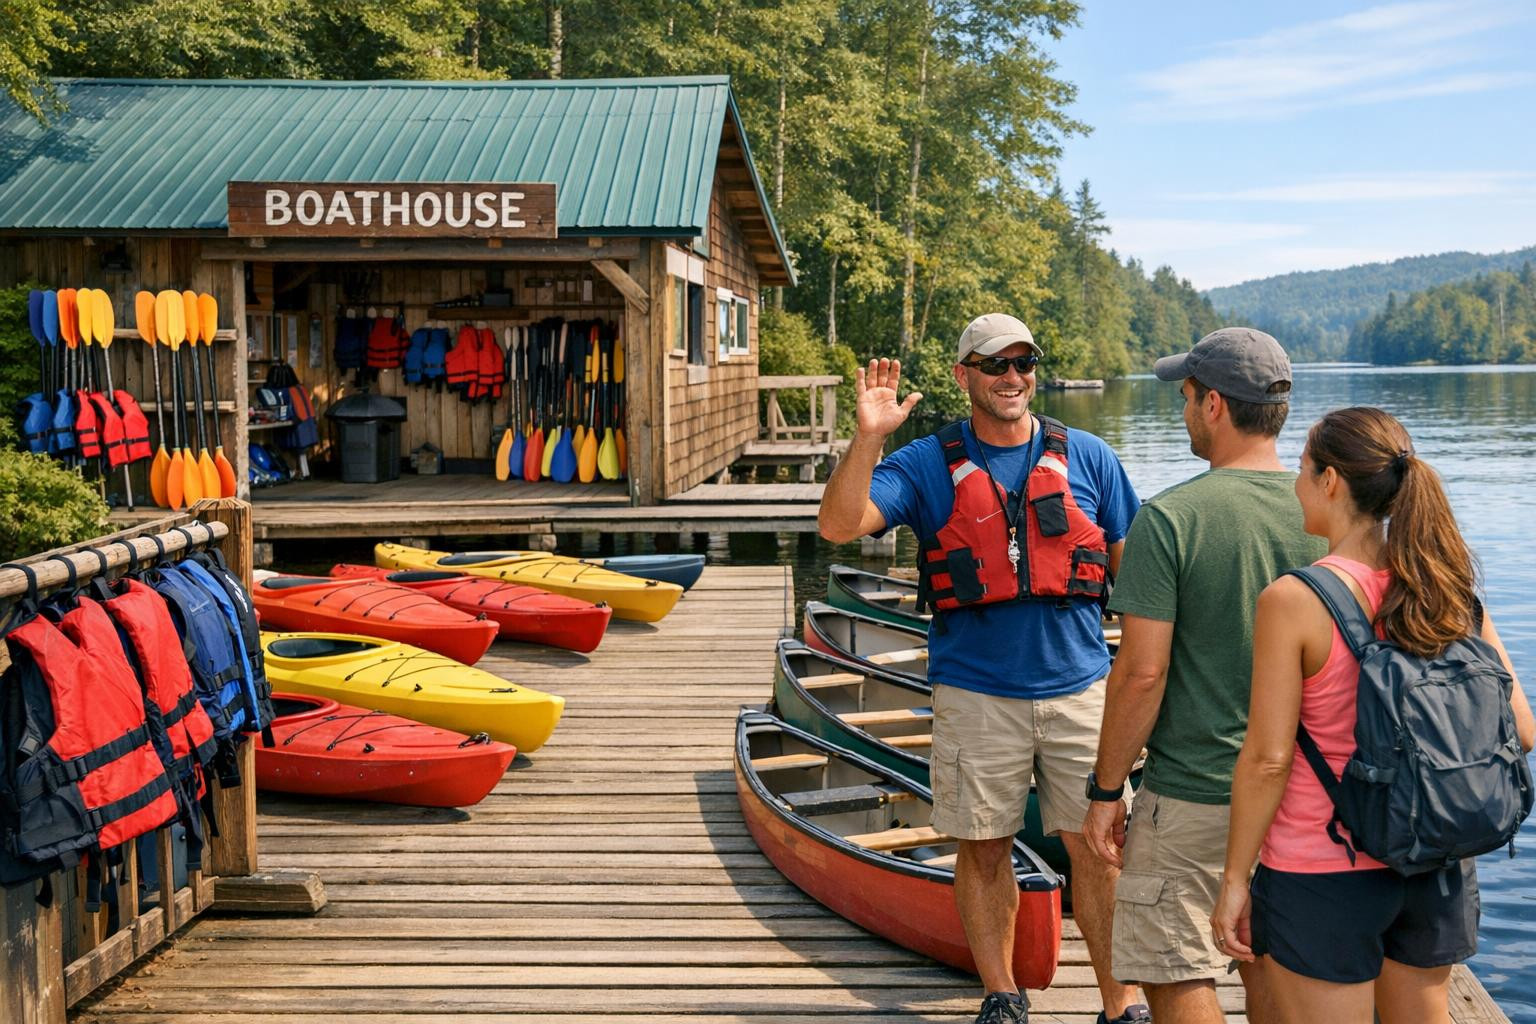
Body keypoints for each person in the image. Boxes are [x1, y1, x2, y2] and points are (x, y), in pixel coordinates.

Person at [818, 313, 1147, 1024]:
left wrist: (1158, 679)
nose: (1012, 377)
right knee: (984, 847)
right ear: (964, 374)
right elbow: (839, 526)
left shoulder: (1089, 457)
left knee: (1099, 849)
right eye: (996, 364)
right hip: (975, 694)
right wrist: (869, 440)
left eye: (1024, 363)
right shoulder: (924, 463)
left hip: (1082, 689)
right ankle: (1002, 994)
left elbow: (1142, 584)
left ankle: (1121, 1005)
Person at [1211, 407, 1535, 1024]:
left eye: (1303, 471)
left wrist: (1234, 880)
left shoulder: (1296, 599)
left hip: (1322, 869)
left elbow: (1268, 759)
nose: (1297, 484)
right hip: (1435, 855)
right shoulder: (1448, 588)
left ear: (1331, 481)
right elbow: (1522, 731)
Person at [1083, 327, 1322, 1024]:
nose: (1183, 410)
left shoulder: (1171, 518)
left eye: (1186, 396)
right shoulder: (1331, 515)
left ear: (1213, 405)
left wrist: (1105, 790)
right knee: (1270, 964)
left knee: (1173, 969)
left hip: (1193, 794)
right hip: (1303, 797)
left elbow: (1141, 674)